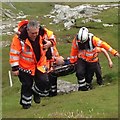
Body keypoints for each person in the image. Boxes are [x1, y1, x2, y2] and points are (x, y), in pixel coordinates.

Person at [9, 20, 56, 109]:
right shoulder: (18, 38)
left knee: (44, 81)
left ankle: (36, 93)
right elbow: (14, 53)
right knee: (27, 84)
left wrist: (51, 43)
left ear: (39, 29)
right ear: (27, 30)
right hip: (25, 66)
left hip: (40, 64)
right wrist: (15, 68)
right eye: (32, 33)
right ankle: (25, 104)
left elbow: (53, 37)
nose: (34, 35)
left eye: (36, 33)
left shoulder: (44, 33)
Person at [69, 27, 120, 91]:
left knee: (89, 77)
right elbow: (74, 51)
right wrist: (72, 61)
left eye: (83, 42)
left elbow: (104, 45)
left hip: (92, 61)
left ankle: (87, 86)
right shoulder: (76, 41)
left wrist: (114, 52)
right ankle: (82, 88)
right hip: (82, 59)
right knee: (79, 72)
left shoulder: (94, 40)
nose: (82, 43)